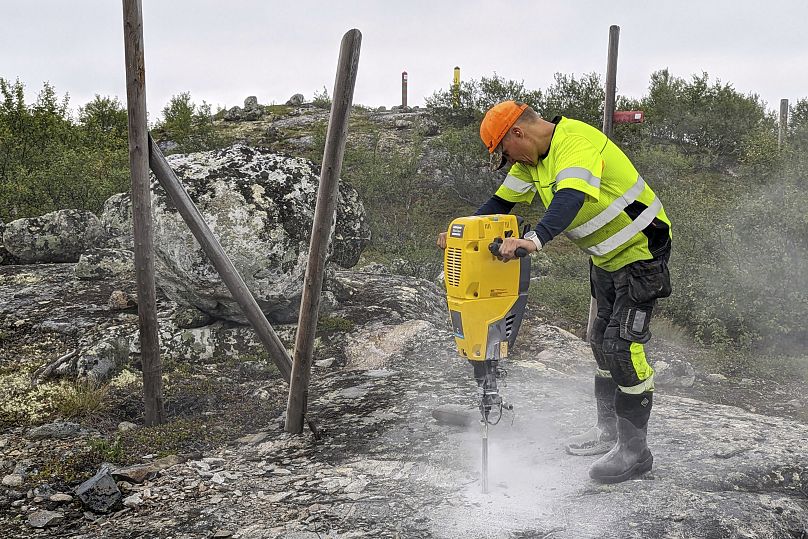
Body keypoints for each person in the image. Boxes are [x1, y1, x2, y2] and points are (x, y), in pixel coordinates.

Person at [437, 100, 672, 484]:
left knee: (621, 346)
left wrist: (532, 240)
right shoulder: (532, 163)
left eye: (504, 151)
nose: (507, 160)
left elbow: (570, 198)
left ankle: (636, 452)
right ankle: (608, 433)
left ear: (518, 132)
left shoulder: (576, 141)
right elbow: (497, 204)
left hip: (642, 254)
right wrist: (463, 235)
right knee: (598, 339)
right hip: (606, 256)